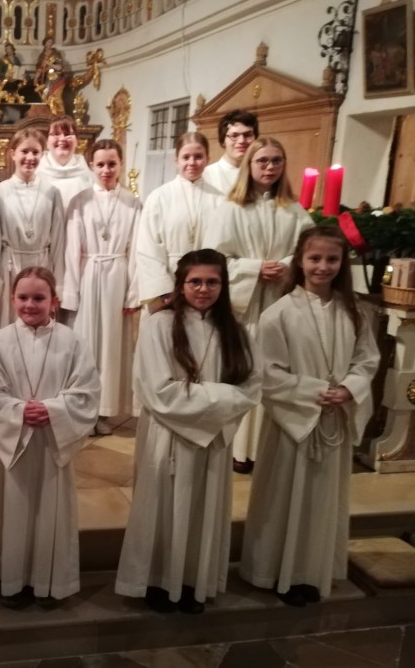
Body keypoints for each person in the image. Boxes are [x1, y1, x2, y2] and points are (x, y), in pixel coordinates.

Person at [115, 249, 261, 614]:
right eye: (194, 281)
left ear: (223, 286)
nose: (203, 289)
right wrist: (222, 400)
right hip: (167, 437)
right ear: (180, 285)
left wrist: (215, 405)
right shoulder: (159, 325)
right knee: (162, 507)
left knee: (201, 509)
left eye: (212, 282)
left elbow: (251, 386)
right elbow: (156, 390)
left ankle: (194, 580)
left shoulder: (235, 330)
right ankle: (156, 581)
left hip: (211, 442)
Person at [240, 226, 379, 606]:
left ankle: (311, 571)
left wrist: (349, 388)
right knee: (286, 497)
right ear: (299, 262)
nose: (323, 266)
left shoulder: (355, 311)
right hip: (293, 422)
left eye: (332, 259)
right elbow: (267, 373)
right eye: (314, 258)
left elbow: (367, 359)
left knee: (321, 500)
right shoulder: (278, 314)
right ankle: (274, 570)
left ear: (343, 263)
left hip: (334, 419)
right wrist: (316, 392)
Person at [0, 266, 100, 608]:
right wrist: (17, 411)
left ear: (54, 301)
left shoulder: (72, 342)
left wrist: (54, 411)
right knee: (13, 508)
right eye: (23, 297)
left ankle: (49, 581)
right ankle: (12, 580)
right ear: (11, 299)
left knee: (50, 511)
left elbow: (86, 390)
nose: (31, 304)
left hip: (51, 442)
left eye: (39, 298)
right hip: (12, 444)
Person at [204, 136, 313, 473]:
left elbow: (309, 254)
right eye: (262, 161)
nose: (269, 167)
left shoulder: (294, 211)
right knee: (245, 370)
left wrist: (287, 264)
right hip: (245, 309)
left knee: (276, 371)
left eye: (276, 161)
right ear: (248, 165)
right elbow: (213, 260)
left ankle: (266, 447)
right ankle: (238, 449)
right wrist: (253, 268)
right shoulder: (230, 209)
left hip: (281, 304)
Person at [61, 140, 142, 435]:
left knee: (111, 345)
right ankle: (82, 408)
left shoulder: (132, 203)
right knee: (85, 345)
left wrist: (133, 292)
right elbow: (71, 251)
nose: (106, 170)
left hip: (117, 277)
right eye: (100, 164)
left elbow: (136, 250)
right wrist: (71, 291)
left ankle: (104, 410)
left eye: (112, 163)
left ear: (121, 164)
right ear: (91, 166)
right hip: (88, 275)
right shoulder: (80, 201)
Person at [0, 127, 65, 333]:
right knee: (9, 328)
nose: (30, 157)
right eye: (24, 151)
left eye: (35, 152)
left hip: (42, 264)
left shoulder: (52, 193)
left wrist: (57, 285)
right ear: (13, 154)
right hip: (10, 267)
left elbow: (58, 241)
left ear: (42, 155)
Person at [135, 132, 223, 313]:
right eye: (186, 157)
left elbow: (224, 245)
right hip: (169, 285)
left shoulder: (220, 200)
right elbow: (147, 247)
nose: (192, 162)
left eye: (198, 157)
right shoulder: (159, 197)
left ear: (207, 159)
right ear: (176, 160)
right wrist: (163, 289)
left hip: (206, 289)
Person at [36, 115, 93, 212]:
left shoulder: (89, 178)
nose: (62, 139)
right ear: (47, 142)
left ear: (77, 141)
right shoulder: (35, 176)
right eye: (56, 134)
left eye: (67, 134)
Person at [202, 110, 259, 196]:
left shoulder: (261, 174)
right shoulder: (206, 176)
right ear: (223, 141)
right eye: (234, 136)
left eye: (248, 135)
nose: (242, 141)